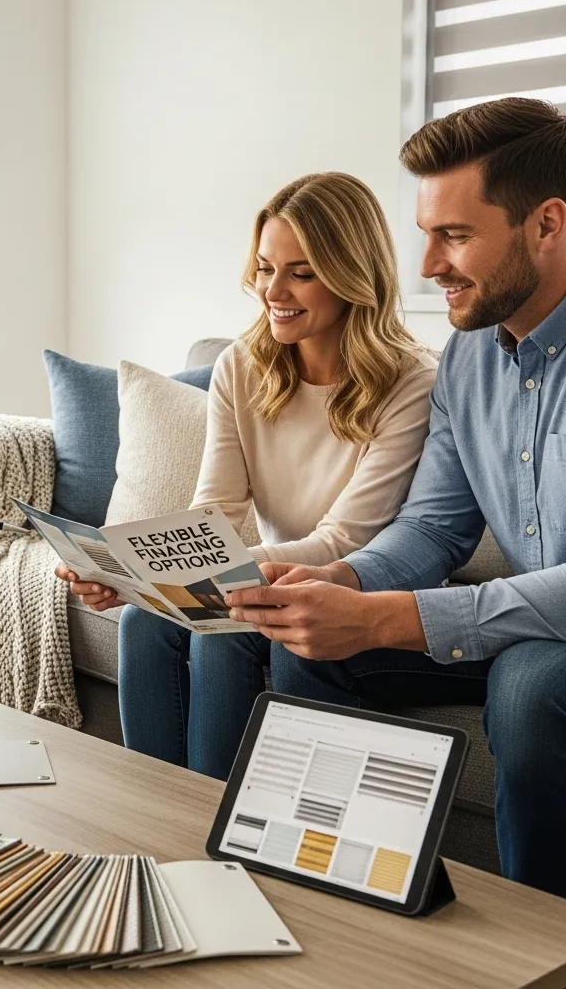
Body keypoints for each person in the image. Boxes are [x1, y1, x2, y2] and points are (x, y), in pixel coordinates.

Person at [224, 98, 566, 898]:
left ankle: (538, 950)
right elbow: (433, 528)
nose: (426, 266)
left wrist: (392, 616)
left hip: (542, 648)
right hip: (520, 626)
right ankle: (331, 901)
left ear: (547, 224)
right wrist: (342, 583)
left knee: (528, 685)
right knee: (306, 645)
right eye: (427, 234)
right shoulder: (469, 359)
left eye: (455, 235)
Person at [57, 172, 437, 778]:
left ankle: (215, 834)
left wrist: (227, 576)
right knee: (140, 618)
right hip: (263, 570)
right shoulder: (241, 363)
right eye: (264, 268)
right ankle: (152, 822)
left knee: (224, 631)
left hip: (344, 583)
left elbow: (346, 539)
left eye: (301, 272)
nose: (272, 291)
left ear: (351, 275)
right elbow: (217, 512)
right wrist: (131, 576)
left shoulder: (411, 381)